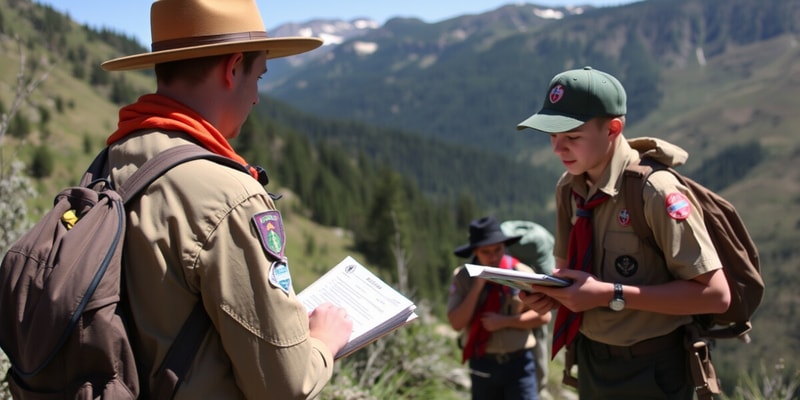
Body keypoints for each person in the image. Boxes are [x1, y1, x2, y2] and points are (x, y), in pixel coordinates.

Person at [99, 1, 353, 398]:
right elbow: (285, 385)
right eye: (258, 76)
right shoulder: (229, 196)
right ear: (232, 68)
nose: (256, 98)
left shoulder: (114, 158)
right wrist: (323, 341)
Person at [515, 66, 731, 399]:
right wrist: (551, 294)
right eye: (551, 136)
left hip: (655, 368)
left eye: (572, 137)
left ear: (613, 129)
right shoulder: (569, 189)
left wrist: (611, 293)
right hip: (591, 360)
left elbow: (716, 296)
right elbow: (570, 276)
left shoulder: (655, 192)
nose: (558, 149)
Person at [447, 216, 552, 400]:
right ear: (475, 252)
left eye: (498, 249)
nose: (493, 256)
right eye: (485, 251)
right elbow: (456, 323)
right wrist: (478, 286)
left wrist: (504, 322)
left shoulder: (521, 273)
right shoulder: (463, 278)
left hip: (519, 363)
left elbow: (544, 317)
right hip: (482, 364)